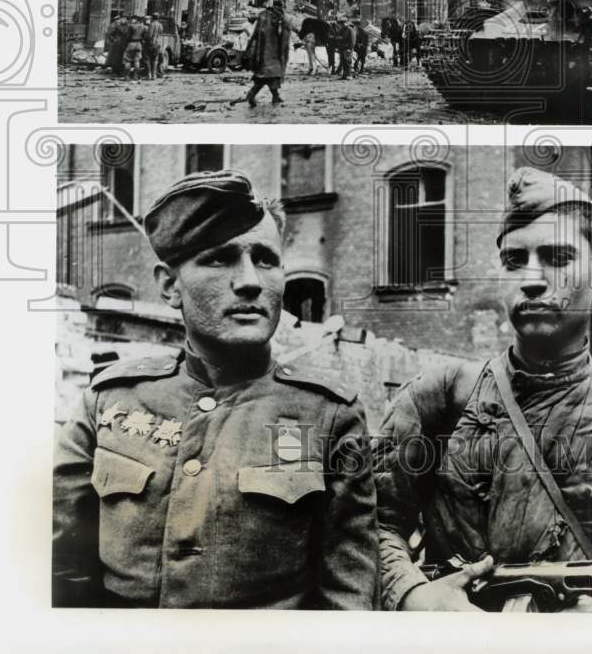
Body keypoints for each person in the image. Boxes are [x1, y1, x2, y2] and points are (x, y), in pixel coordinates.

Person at [374, 166, 592, 614]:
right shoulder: (439, 397)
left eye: (557, 257)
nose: (531, 278)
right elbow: (366, 525)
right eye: (514, 260)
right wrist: (416, 596)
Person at [53, 169, 380, 609]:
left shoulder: (329, 415)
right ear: (170, 286)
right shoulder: (109, 400)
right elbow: (60, 574)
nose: (250, 281)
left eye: (265, 258)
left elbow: (348, 598)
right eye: (221, 258)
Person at [246, 0, 291, 106]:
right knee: (269, 76)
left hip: (262, 52)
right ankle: (251, 95)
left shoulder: (263, 15)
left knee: (267, 75)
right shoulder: (283, 18)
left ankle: (275, 96)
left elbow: (256, 33)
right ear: (282, 6)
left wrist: (252, 49)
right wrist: (284, 53)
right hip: (274, 52)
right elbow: (285, 38)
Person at [122, 16, 146, 81]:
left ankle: (127, 76)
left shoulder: (131, 26)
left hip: (131, 44)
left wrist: (125, 44)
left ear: (136, 20)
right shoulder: (143, 27)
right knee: (137, 61)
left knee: (128, 60)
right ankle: (135, 76)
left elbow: (127, 36)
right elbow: (144, 37)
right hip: (138, 44)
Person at [144, 12, 165, 79]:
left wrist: (146, 40)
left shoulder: (152, 24)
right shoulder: (160, 25)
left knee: (147, 59)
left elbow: (149, 35)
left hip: (151, 44)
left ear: (152, 18)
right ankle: (154, 75)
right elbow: (161, 34)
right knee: (155, 59)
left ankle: (149, 74)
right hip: (158, 44)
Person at [337, 13, 355, 81]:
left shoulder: (350, 30)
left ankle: (349, 75)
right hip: (341, 48)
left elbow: (352, 40)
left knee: (348, 62)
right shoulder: (341, 30)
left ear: (346, 22)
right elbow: (337, 38)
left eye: (343, 23)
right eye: (340, 23)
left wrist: (350, 49)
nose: (342, 24)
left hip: (347, 48)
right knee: (343, 62)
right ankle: (344, 75)